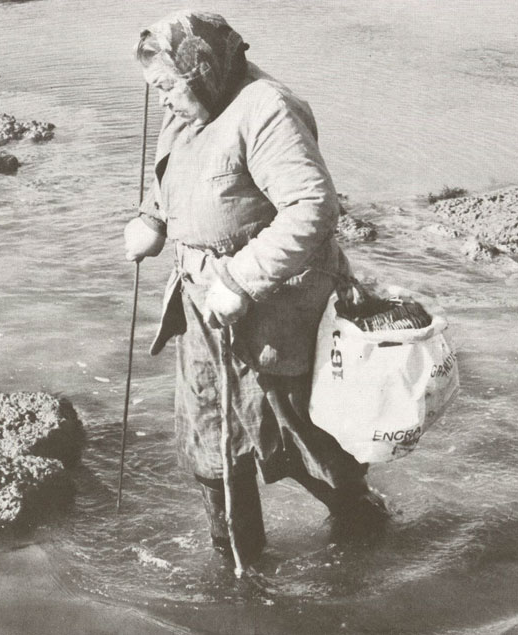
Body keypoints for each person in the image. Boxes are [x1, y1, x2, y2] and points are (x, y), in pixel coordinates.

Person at [124, 10, 385, 563]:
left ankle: (366, 543)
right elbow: (178, 176)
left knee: (302, 444)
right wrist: (151, 221)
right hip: (201, 310)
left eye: (168, 86)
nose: (163, 99)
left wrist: (241, 279)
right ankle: (239, 567)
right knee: (210, 446)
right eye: (156, 90)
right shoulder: (188, 108)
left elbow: (313, 208)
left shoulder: (268, 108)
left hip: (274, 316)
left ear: (202, 70)